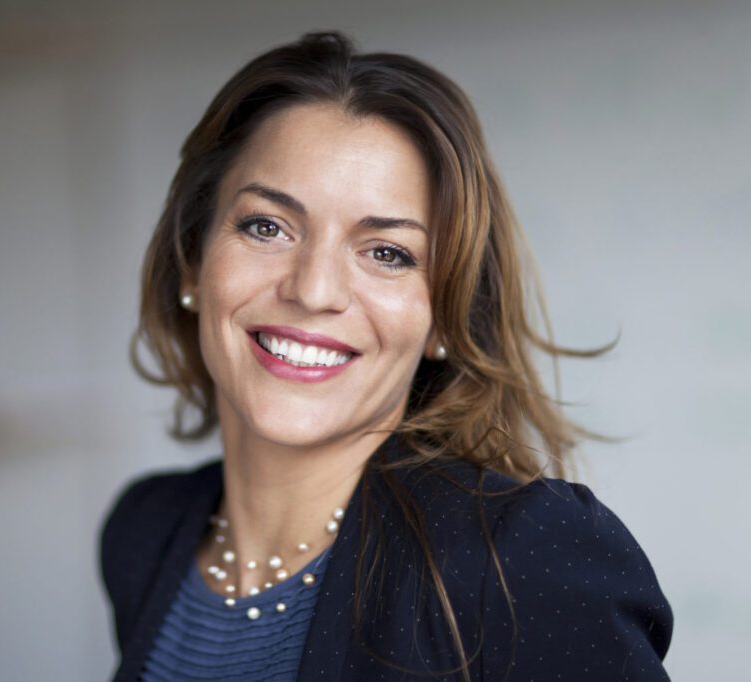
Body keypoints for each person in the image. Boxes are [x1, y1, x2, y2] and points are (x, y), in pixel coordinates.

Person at [99, 31, 673, 681]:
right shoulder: (143, 532)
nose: (313, 291)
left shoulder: (523, 557)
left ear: (443, 318)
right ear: (192, 261)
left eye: (387, 253)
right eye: (267, 226)